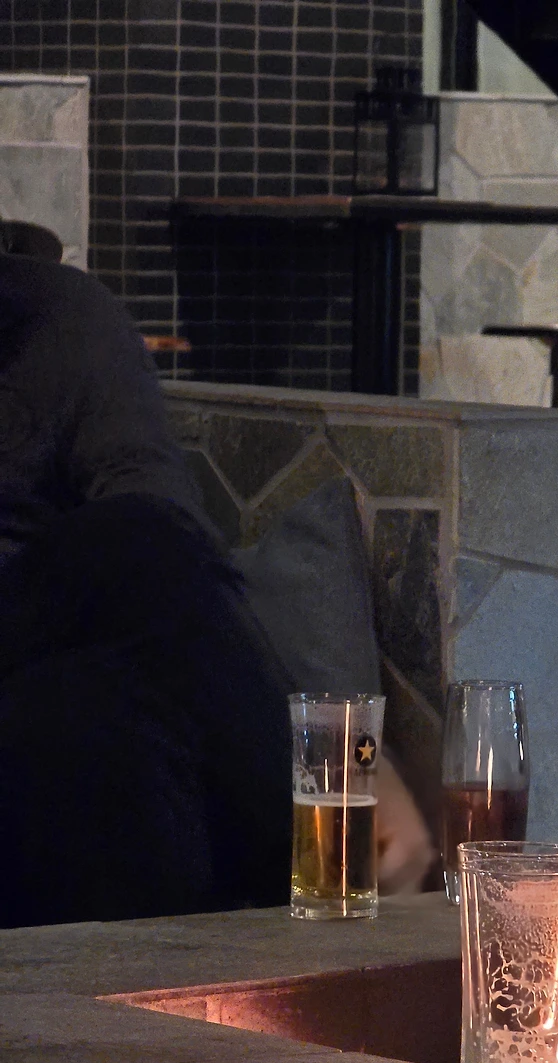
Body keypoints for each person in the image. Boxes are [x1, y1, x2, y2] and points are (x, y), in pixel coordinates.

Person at [0, 243, 432, 927]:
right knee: (125, 549)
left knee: (88, 720)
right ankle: (321, 855)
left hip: (48, 693)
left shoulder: (59, 319)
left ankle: (274, 928)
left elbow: (180, 567)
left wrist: (350, 748)